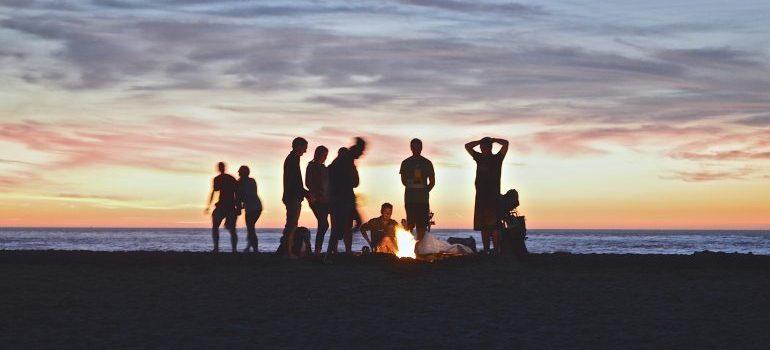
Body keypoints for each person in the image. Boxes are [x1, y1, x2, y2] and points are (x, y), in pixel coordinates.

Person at [465, 137, 509, 254]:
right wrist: (481, 141)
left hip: (493, 197)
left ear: (489, 147)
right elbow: (467, 146)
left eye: (484, 146)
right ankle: (486, 250)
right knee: (483, 226)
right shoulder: (479, 158)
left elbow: (506, 143)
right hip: (481, 196)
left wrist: (492, 140)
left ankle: (495, 250)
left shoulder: (497, 158)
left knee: (495, 226)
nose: (482, 149)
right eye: (482, 147)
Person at [327, 138, 366, 255]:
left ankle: (337, 251)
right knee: (341, 228)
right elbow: (354, 182)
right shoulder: (346, 161)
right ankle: (332, 252)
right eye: (362, 151)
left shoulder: (341, 162)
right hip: (342, 199)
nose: (362, 154)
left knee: (342, 227)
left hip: (341, 199)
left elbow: (353, 182)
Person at [399, 138, 435, 241]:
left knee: (422, 225)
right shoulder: (405, 163)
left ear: (421, 148)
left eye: (418, 147)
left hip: (422, 200)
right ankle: (409, 247)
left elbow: (432, 182)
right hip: (410, 199)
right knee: (410, 224)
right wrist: (414, 187)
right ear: (411, 148)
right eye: (414, 147)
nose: (416, 149)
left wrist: (424, 191)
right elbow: (403, 181)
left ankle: (420, 247)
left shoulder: (427, 163)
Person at [282, 137, 310, 258]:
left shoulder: (293, 158)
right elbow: (295, 181)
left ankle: (287, 250)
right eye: (304, 148)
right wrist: (305, 193)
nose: (305, 151)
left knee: (292, 224)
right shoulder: (293, 159)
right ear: (298, 146)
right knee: (292, 225)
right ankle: (288, 252)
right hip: (293, 196)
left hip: (292, 195)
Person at [204, 162, 240, 253]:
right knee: (218, 227)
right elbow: (214, 192)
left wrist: (238, 206)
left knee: (230, 229)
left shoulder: (227, 178)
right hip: (225, 205)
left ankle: (231, 249)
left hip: (229, 206)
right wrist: (208, 205)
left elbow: (237, 193)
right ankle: (219, 248)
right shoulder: (223, 179)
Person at [306, 146, 329, 256]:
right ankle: (317, 251)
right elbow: (308, 182)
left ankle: (319, 251)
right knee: (323, 224)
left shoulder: (324, 168)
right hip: (316, 199)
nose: (324, 157)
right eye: (323, 154)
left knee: (323, 224)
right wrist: (317, 193)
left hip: (326, 199)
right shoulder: (312, 166)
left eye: (326, 155)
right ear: (317, 154)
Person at [238, 165, 262, 253]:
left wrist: (241, 203)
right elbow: (240, 196)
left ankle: (254, 248)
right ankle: (249, 246)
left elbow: (251, 194)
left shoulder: (250, 181)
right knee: (250, 227)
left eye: (240, 171)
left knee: (250, 227)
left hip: (255, 207)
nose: (238, 173)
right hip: (250, 207)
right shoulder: (240, 182)